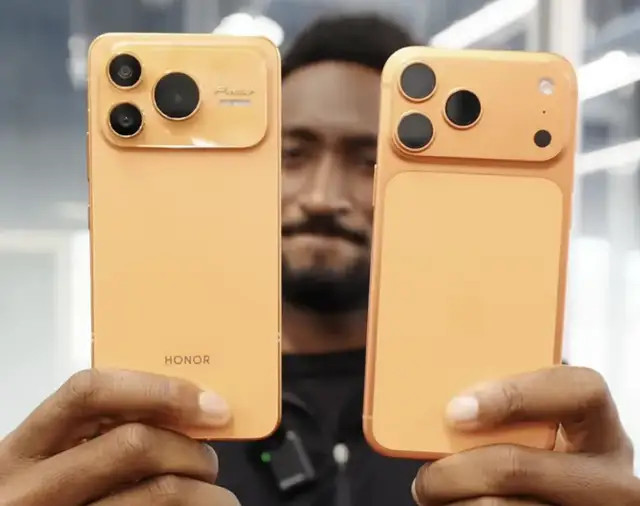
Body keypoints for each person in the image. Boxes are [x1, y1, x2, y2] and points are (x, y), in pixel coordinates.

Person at [0, 14, 638, 506]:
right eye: (292, 153)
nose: (322, 197)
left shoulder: (520, 420)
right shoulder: (139, 415)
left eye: (369, 160)